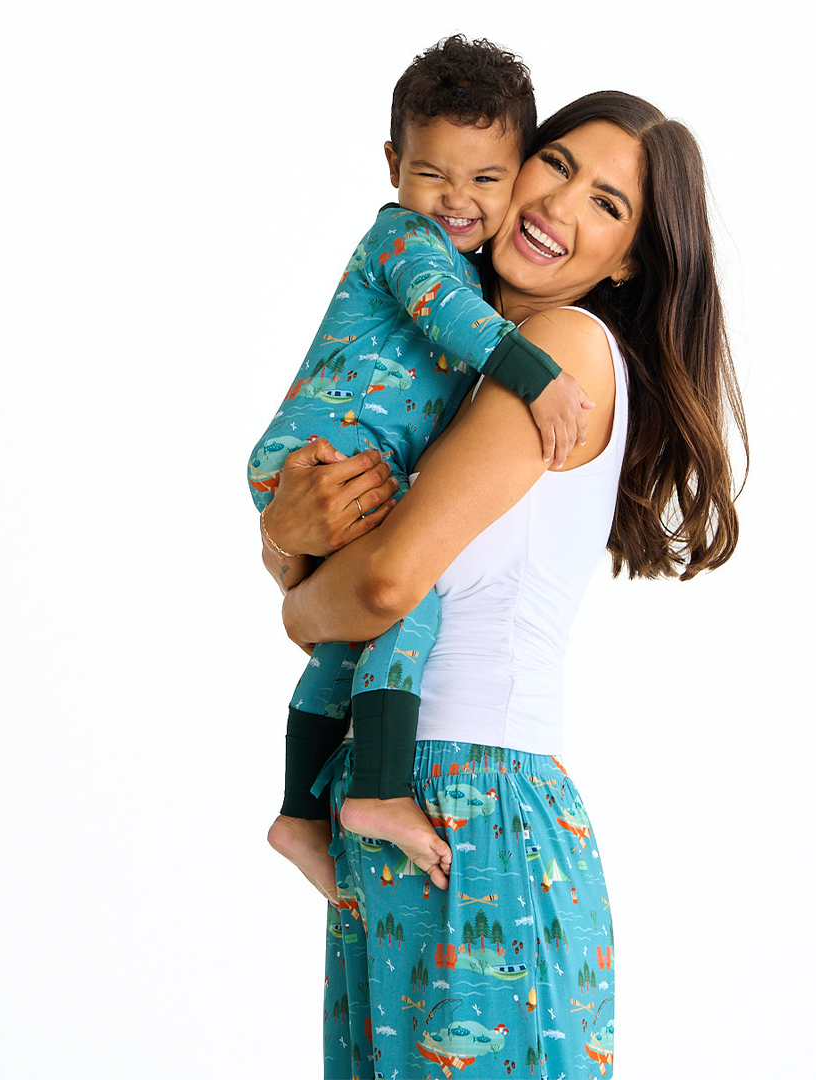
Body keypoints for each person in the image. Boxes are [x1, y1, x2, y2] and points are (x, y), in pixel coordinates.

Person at [265, 89, 748, 1079]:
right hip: (397, 786)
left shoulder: (563, 349)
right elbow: (359, 572)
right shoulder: (458, 367)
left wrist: (292, 594)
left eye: (608, 205)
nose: (561, 205)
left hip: (475, 800)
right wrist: (287, 534)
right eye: (558, 164)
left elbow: (387, 584)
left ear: (629, 263)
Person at [250, 36, 594, 902]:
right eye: (434, 174)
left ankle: (299, 811)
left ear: (513, 178)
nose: (458, 200)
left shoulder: (477, 270)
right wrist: (536, 375)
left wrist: (290, 571)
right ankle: (374, 791)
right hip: (330, 450)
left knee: (358, 631)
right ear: (394, 166)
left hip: (352, 460)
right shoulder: (407, 241)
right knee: (413, 596)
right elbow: (445, 317)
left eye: (486, 180)